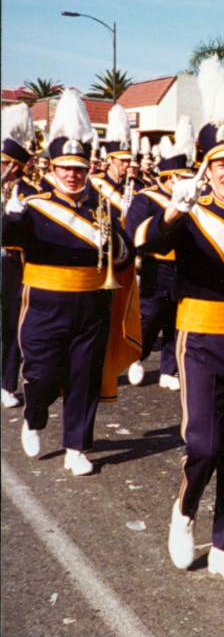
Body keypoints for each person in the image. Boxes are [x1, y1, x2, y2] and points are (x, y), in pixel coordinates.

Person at [138, 57, 224, 585]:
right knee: (205, 444)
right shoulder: (190, 212)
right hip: (200, 337)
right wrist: (173, 210)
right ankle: (184, 510)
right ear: (207, 167)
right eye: (221, 164)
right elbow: (145, 246)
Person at [4, 89, 134, 475]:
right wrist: (9, 217)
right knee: (41, 373)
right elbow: (7, 239)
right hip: (45, 302)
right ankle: (35, 415)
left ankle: (77, 445)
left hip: (92, 303)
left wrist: (115, 245)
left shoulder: (102, 207)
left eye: (79, 169)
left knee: (84, 376)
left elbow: (126, 253)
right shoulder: (33, 207)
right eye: (65, 168)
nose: (73, 175)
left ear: (87, 169)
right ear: (52, 169)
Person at [124, 118, 197, 391]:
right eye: (182, 178)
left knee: (177, 321)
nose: (186, 182)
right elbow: (135, 234)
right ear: (169, 178)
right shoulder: (145, 198)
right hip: (155, 267)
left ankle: (170, 369)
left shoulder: (193, 201)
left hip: (183, 269)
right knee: (151, 317)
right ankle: (136, 357)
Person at [1, 103, 38, 409]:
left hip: (14, 267)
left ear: (14, 165)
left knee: (12, 329)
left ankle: (7, 382)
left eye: (3, 162)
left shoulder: (27, 192)